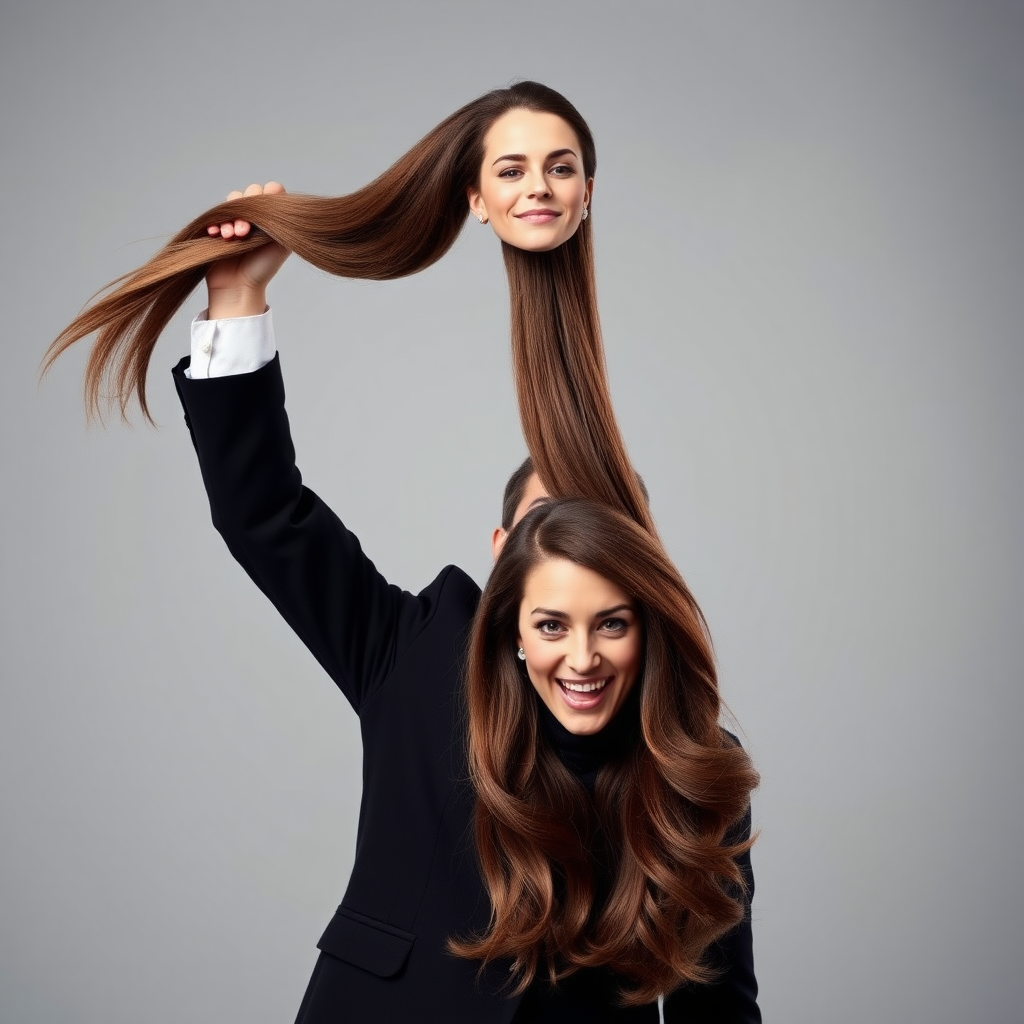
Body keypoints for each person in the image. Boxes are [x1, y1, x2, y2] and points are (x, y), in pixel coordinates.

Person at [48, 82, 760, 1020]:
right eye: (548, 541)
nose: (579, 640)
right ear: (504, 553)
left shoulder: (694, 762)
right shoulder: (415, 651)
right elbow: (265, 513)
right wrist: (238, 294)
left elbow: (720, 1005)